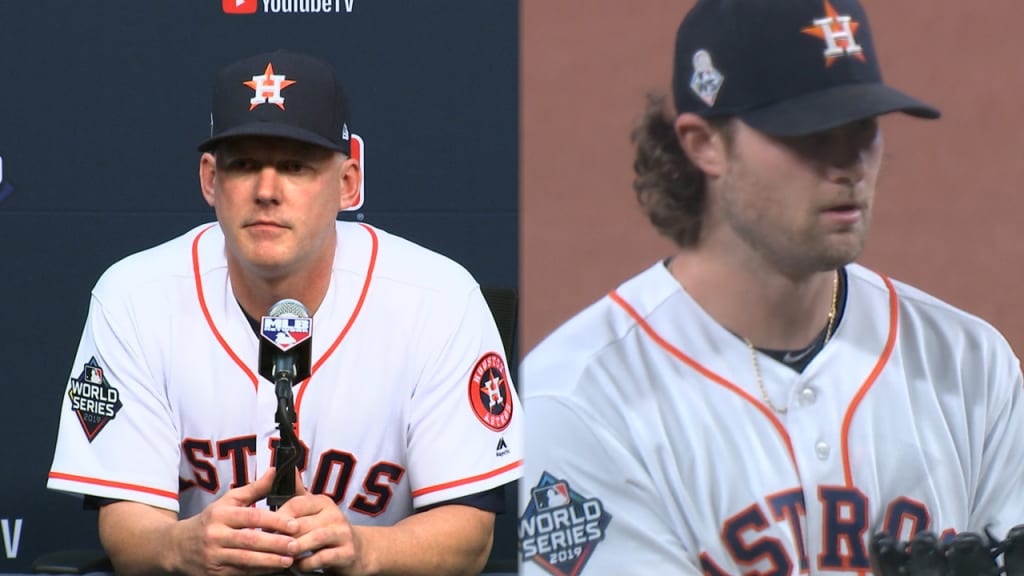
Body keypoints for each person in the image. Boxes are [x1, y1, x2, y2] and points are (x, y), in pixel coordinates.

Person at [518, 0, 1024, 574]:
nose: (849, 166)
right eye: (810, 134)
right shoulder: (580, 405)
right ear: (704, 143)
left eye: (863, 129)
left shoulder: (970, 367)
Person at [47, 50, 522, 575]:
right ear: (210, 180)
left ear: (347, 184)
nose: (267, 192)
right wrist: (180, 547)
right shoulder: (135, 297)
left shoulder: (439, 299)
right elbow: (127, 526)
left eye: (295, 166)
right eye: (244, 164)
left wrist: (366, 551)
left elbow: (470, 535)